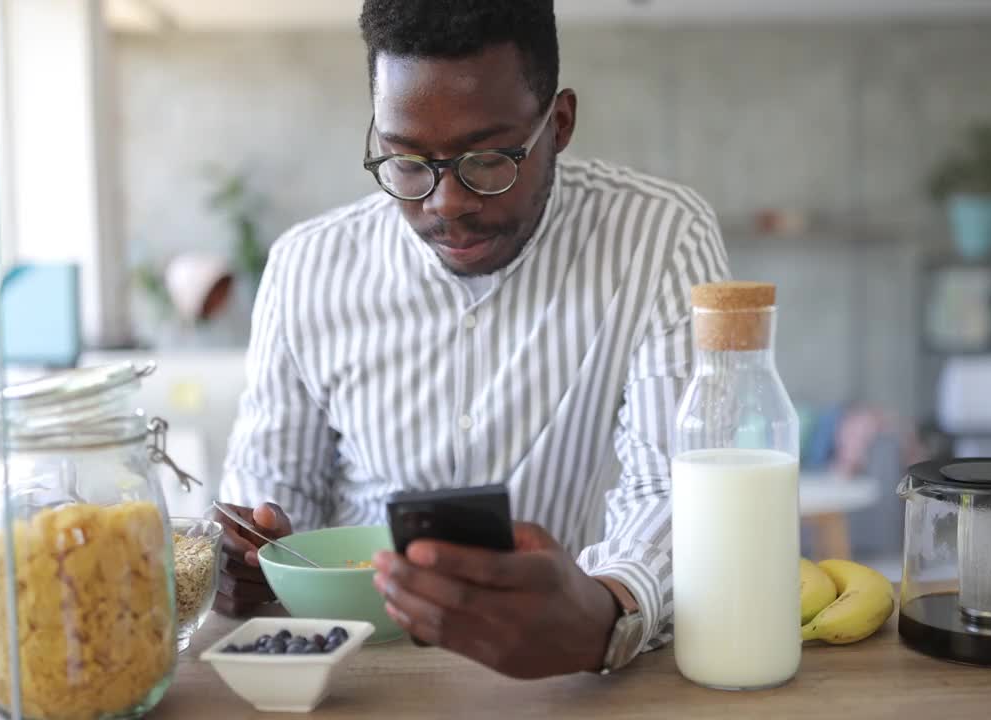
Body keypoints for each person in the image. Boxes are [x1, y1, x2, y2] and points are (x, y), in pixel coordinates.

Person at [215, 0, 728, 679]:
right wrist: (250, 556)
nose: (445, 203)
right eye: (405, 161)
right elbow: (273, 498)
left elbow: (677, 486)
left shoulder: (657, 240)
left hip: (574, 682)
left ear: (560, 122)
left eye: (488, 162)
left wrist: (610, 607)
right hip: (363, 682)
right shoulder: (305, 268)